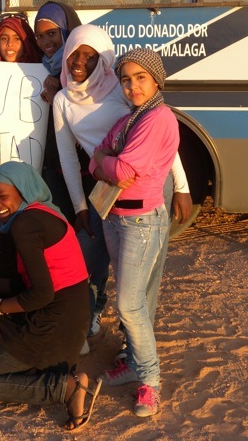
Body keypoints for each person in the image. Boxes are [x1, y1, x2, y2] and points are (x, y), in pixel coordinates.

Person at [53, 25, 192, 340]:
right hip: (105, 185)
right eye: (74, 54)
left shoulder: (121, 88)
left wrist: (181, 186)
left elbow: (158, 136)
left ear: (102, 61)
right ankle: (92, 312)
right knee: (89, 257)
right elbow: (68, 158)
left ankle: (135, 340)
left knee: (144, 272)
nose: (79, 62)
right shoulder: (62, 100)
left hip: (148, 184)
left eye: (90, 56)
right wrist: (80, 208)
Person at [0, 161, 101, 432]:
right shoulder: (45, 213)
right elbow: (26, 284)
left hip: (48, 329)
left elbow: (41, 294)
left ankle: (64, 387)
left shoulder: (25, 225)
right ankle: (38, 370)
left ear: (23, 190)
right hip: (67, 322)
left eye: (2, 196)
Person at [89, 48, 179, 417]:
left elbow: (124, 170)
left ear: (156, 80)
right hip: (115, 217)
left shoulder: (157, 118)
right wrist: (104, 162)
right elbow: (96, 157)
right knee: (131, 300)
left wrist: (104, 162)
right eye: (126, 80)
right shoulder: (131, 119)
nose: (132, 86)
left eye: (140, 78)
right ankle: (134, 365)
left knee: (130, 304)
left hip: (141, 221)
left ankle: (150, 381)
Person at [33, 1, 81, 224]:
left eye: (51, 33)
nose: (45, 42)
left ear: (67, 31)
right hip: (54, 167)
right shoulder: (40, 68)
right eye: (39, 36)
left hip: (84, 169)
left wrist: (58, 98)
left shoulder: (83, 69)